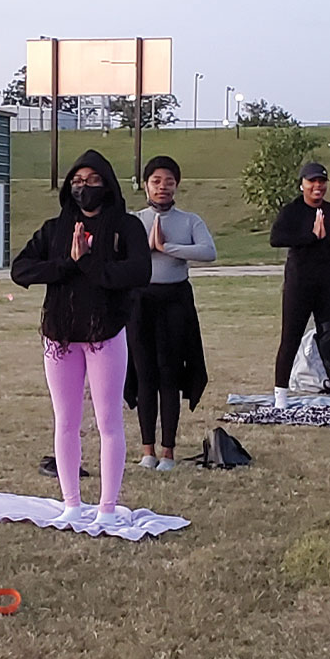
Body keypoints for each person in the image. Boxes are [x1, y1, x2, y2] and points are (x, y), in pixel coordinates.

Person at [11, 150, 150, 521]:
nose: (84, 188)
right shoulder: (55, 229)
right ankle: (71, 502)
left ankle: (106, 506)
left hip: (104, 332)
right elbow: (21, 270)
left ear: (106, 184)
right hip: (60, 335)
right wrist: (66, 265)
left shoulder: (126, 227)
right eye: (77, 181)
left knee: (108, 421)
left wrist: (89, 263)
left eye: (92, 181)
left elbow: (139, 272)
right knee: (66, 421)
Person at [127, 155, 214, 470]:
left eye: (169, 181)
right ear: (146, 185)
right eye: (156, 181)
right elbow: (119, 256)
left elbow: (208, 252)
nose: (163, 187)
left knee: (170, 374)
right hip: (140, 301)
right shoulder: (134, 220)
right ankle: (147, 449)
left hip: (176, 300)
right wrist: (146, 250)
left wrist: (168, 248)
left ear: (177, 185)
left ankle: (168, 451)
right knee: (144, 373)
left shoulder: (189, 220)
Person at [269, 161, 330, 411]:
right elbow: (276, 238)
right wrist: (311, 236)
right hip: (299, 284)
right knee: (290, 338)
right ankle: (281, 399)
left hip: (328, 284)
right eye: (312, 181)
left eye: (321, 182)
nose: (317, 186)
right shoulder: (292, 211)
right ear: (302, 184)